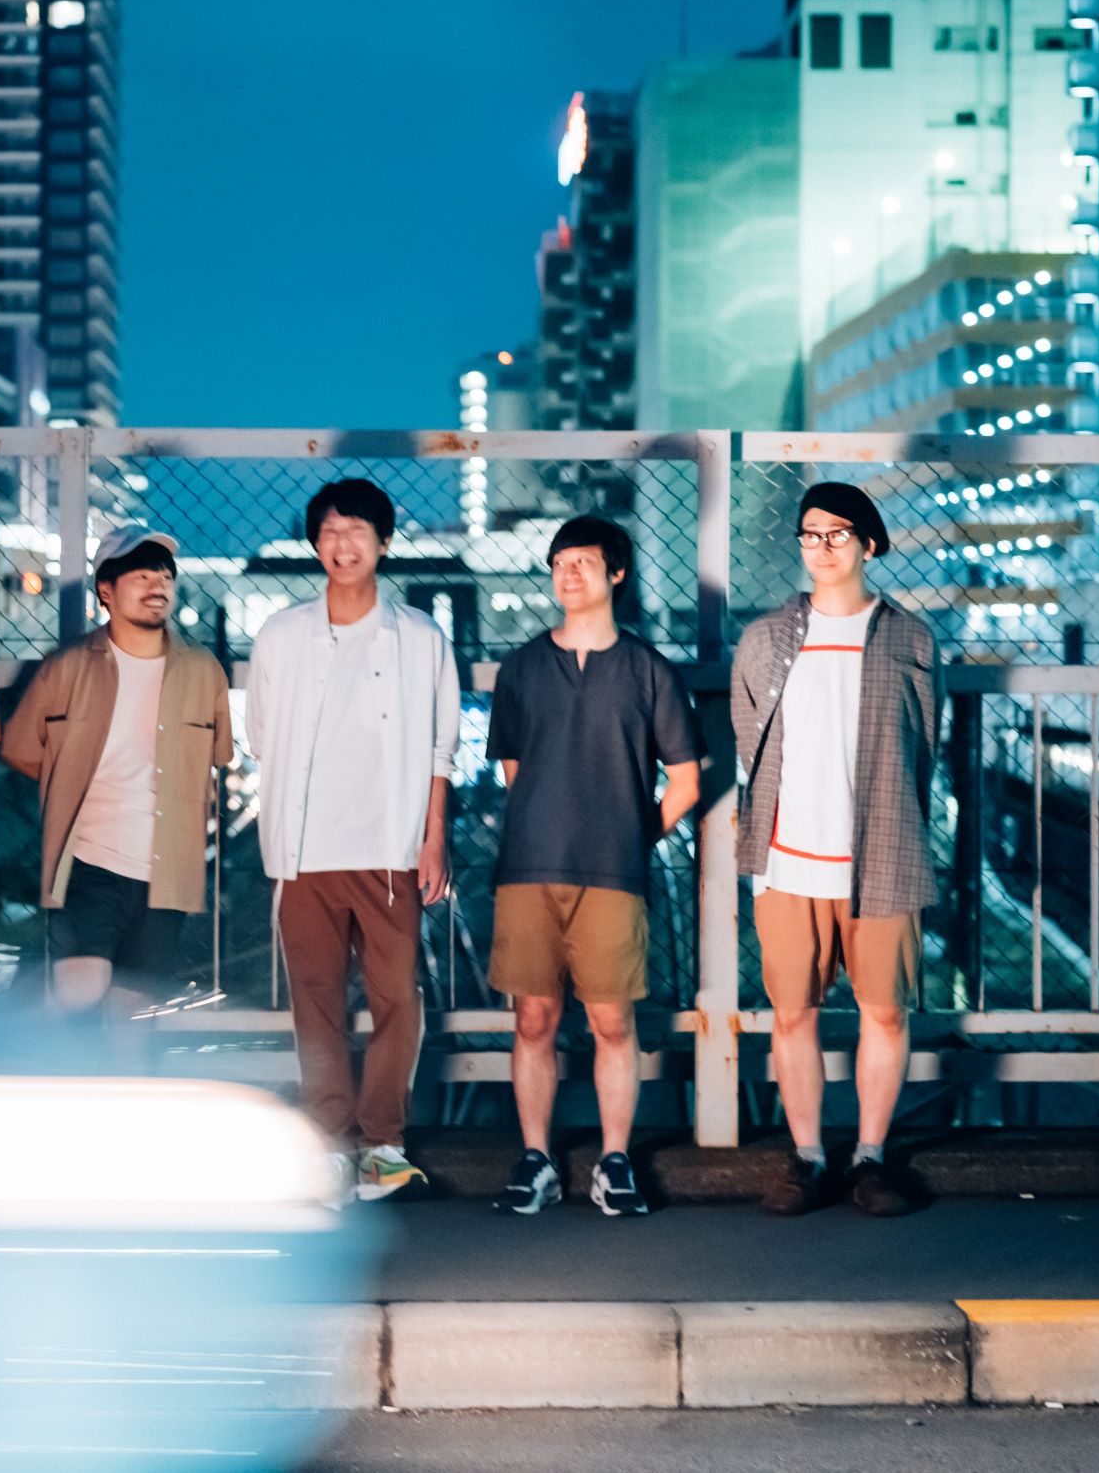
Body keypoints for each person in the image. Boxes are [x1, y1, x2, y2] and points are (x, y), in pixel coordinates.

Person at [731, 481, 943, 1218]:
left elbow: (924, 742)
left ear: (868, 544)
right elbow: (750, 743)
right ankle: (807, 1157)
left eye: (837, 533)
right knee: (792, 1014)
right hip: (788, 859)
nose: (821, 547)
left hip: (882, 853)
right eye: (810, 534)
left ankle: (870, 1157)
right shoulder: (764, 638)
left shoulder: (910, 637)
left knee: (885, 1012)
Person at [485, 515, 703, 1217]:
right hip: (528, 867)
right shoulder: (521, 668)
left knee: (612, 1021)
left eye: (582, 561)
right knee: (532, 1020)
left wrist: (632, 838)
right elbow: (515, 771)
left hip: (613, 872)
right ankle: (536, 1160)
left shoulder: (649, 670)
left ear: (616, 573)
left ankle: (614, 1161)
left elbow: (686, 781)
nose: (568, 574)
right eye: (558, 563)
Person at [248, 478, 459, 1203]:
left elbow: (440, 750)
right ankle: (330, 1143)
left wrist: (433, 838)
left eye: (358, 531)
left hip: (389, 848)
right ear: (315, 544)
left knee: (398, 996)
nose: (343, 545)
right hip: (303, 850)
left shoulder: (420, 637)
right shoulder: (281, 634)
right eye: (330, 532)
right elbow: (261, 735)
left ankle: (383, 1144)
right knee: (315, 1002)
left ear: (384, 542)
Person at [2, 527, 233, 1013]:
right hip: (86, 861)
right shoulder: (67, 666)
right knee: (78, 987)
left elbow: (216, 757)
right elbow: (21, 748)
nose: (158, 585)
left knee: (132, 1014)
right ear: (106, 589)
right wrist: (70, 786)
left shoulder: (202, 669)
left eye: (165, 576)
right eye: (141, 575)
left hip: (167, 869)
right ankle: (11, 1047)